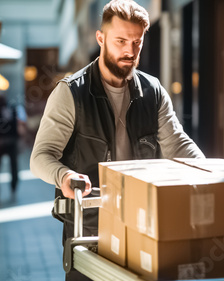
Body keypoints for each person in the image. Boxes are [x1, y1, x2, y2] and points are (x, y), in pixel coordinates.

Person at [30, 0, 204, 279]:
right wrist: (63, 176)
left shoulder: (153, 92)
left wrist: (210, 172)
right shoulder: (71, 93)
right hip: (89, 231)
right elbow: (40, 157)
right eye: (121, 40)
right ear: (100, 38)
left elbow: (178, 144)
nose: (129, 50)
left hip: (143, 226)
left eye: (137, 42)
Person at [0, 95, 26, 203]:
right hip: (12, 142)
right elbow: (21, 129)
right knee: (14, 167)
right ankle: (13, 187)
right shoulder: (15, 110)